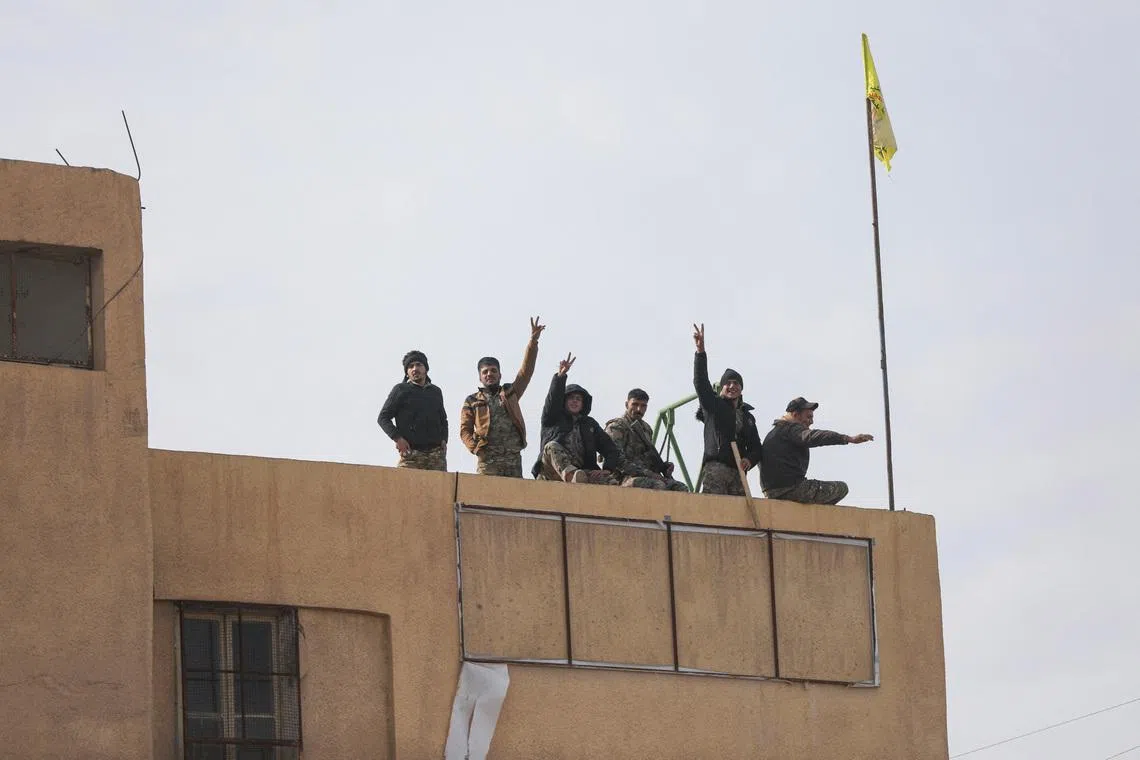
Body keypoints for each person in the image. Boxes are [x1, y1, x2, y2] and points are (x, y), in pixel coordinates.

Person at [458, 317, 545, 477]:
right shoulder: (472, 400)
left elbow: (525, 372)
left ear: (499, 375)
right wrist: (475, 448)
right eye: (485, 372)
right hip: (487, 460)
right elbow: (465, 430)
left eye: (493, 370)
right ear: (480, 377)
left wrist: (533, 342)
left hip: (512, 458)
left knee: (513, 493)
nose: (489, 374)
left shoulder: (510, 393)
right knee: (485, 492)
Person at [691, 324, 763, 496]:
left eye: (736, 383)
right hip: (716, 468)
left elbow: (756, 447)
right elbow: (700, 383)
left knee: (738, 512)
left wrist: (749, 460)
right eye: (727, 383)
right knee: (713, 508)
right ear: (722, 388)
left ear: (741, 388)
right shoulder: (713, 406)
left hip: (738, 472)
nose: (732, 386)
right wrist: (700, 352)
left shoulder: (747, 417)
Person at [760, 397, 874, 505]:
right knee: (842, 488)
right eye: (808, 417)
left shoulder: (774, 434)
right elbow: (813, 436)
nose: (811, 421)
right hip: (790, 489)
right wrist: (848, 438)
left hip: (771, 491)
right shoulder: (791, 429)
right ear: (795, 415)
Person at [531, 353, 622, 484]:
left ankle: (576, 478)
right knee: (551, 446)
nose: (575, 401)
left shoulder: (589, 424)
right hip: (551, 471)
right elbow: (553, 400)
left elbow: (611, 449)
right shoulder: (553, 417)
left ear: (583, 404)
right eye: (571, 398)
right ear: (564, 401)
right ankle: (571, 477)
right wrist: (560, 376)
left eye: (578, 399)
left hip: (581, 473)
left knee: (611, 483)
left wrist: (607, 469)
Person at [604, 389, 689, 492]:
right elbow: (616, 459)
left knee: (680, 488)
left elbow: (648, 458)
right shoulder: (616, 427)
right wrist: (648, 473)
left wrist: (664, 468)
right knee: (658, 485)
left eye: (643, 406)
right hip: (622, 479)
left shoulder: (646, 429)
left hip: (647, 476)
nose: (639, 409)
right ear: (627, 404)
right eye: (635, 404)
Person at [377, 350, 448, 471]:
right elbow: (383, 418)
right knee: (403, 483)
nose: (415, 369)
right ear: (407, 372)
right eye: (410, 366)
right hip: (411, 454)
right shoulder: (400, 390)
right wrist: (398, 438)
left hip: (436, 456)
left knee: (439, 484)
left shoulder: (435, 391)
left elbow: (443, 419)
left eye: (418, 365)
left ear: (426, 369)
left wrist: (444, 439)